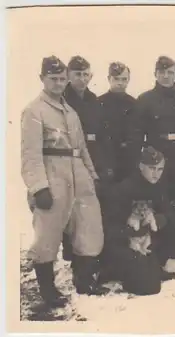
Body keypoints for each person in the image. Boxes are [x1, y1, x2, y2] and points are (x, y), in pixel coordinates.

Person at [21, 56, 106, 308]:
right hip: (52, 174)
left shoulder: (70, 111)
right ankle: (48, 291)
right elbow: (30, 155)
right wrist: (38, 187)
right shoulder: (34, 111)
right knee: (47, 234)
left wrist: (93, 175)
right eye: (53, 79)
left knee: (88, 227)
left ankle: (84, 282)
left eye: (61, 79)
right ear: (42, 79)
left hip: (78, 173)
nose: (58, 83)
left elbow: (81, 148)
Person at [132, 55, 175, 258]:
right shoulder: (145, 100)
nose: (166, 76)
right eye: (162, 72)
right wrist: (140, 162)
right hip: (156, 162)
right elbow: (137, 134)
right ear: (155, 74)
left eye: (170, 72)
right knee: (158, 203)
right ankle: (157, 248)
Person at [99, 146, 175, 295]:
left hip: (146, 240)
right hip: (125, 243)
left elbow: (169, 214)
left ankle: (155, 264)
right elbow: (109, 227)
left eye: (160, 169)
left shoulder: (159, 187)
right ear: (141, 167)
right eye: (152, 168)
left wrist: (158, 220)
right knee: (148, 287)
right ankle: (116, 271)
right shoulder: (124, 189)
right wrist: (131, 231)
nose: (156, 174)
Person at [61, 55, 116, 263]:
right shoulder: (63, 99)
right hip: (71, 159)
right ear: (68, 75)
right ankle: (71, 255)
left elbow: (102, 133)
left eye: (86, 74)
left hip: (95, 157)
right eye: (78, 74)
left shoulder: (93, 100)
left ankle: (92, 257)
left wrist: (106, 164)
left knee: (92, 209)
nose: (82, 79)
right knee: (71, 209)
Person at [97, 61, 137, 183]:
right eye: (116, 79)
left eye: (124, 79)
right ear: (109, 79)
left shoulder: (134, 104)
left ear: (129, 80)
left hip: (127, 162)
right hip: (105, 161)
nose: (120, 83)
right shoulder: (99, 103)